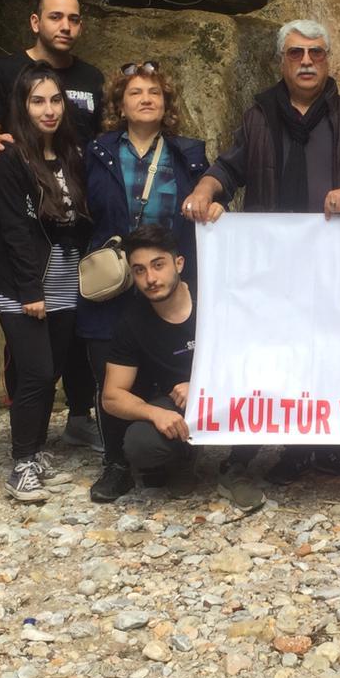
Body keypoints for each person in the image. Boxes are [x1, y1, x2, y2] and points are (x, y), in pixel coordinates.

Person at [181, 18, 340, 485]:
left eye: (316, 53)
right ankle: (294, 445)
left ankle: (333, 445)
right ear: (282, 60)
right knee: (283, 348)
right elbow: (229, 169)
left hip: (336, 263)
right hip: (272, 263)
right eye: (296, 53)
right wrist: (204, 189)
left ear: (327, 59)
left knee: (335, 347)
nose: (306, 61)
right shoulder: (258, 114)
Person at [79, 62, 263, 507]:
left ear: (167, 105)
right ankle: (116, 465)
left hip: (169, 271)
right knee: (108, 360)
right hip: (114, 271)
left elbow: (209, 200)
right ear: (119, 104)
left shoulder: (188, 153)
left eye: (155, 93)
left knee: (181, 362)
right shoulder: (97, 151)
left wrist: (214, 205)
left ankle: (174, 448)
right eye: (136, 92)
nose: (146, 99)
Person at [0, 0, 103, 448]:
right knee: (34, 362)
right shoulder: (7, 75)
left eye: (73, 18)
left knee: (73, 349)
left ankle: (74, 421)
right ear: (35, 21)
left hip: (72, 249)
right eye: (55, 17)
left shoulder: (89, 84)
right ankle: (26, 448)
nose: (65, 26)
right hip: (28, 247)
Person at [0, 63, 91, 503]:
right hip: (24, 283)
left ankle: (37, 450)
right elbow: (14, 229)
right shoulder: (10, 160)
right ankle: (21, 463)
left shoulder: (71, 154)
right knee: (35, 372)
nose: (48, 110)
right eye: (37, 101)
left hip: (66, 276)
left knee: (53, 371)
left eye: (54, 100)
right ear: (22, 106)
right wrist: (31, 291)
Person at [101, 225, 231, 500]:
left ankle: (241, 462)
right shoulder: (131, 322)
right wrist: (155, 413)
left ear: (179, 263)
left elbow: (258, 359)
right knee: (140, 445)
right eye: (139, 270)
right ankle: (185, 455)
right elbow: (111, 397)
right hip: (176, 402)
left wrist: (199, 386)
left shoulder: (217, 296)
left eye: (158, 265)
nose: (150, 278)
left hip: (230, 389)